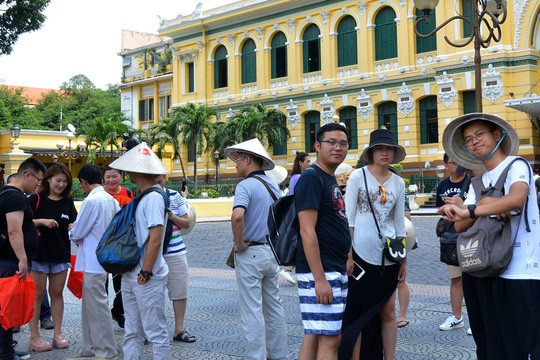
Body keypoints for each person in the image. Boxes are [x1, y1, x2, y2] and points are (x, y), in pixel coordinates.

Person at [439, 113, 540, 359]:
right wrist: (479, 204)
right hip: (488, 268)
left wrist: (475, 208)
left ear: (497, 135)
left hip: (521, 269)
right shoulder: (480, 180)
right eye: (468, 139)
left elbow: (516, 198)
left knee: (525, 346)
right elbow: (460, 226)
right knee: (495, 344)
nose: (474, 142)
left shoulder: (516, 165)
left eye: (479, 134)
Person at [341, 127, 407, 360]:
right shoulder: (358, 176)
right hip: (360, 255)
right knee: (358, 314)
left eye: (388, 149)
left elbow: (399, 224)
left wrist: (403, 260)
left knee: (388, 311)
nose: (384, 153)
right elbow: (348, 218)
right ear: (371, 153)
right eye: (379, 149)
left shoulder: (398, 183)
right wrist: (347, 255)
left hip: (389, 256)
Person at [224, 138, 288, 360]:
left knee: (252, 311)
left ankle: (256, 357)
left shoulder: (245, 185)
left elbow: (238, 216)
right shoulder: (273, 185)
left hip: (250, 254)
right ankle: (279, 355)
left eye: (238, 160)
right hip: (271, 253)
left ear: (249, 160)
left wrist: (239, 243)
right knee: (274, 307)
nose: (235, 165)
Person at [294, 123, 351, 360]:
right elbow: (307, 231)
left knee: (317, 333)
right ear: (317, 146)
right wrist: (319, 279)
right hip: (320, 272)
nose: (338, 148)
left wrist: (347, 255)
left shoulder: (328, 178)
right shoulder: (312, 178)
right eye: (331, 142)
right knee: (330, 339)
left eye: (343, 143)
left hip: (333, 268)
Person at [108, 142, 170, 360]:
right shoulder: (144, 195)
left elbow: (155, 239)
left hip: (145, 275)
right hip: (133, 274)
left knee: (155, 332)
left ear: (137, 171)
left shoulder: (153, 197)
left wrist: (145, 272)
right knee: (132, 330)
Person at [67, 164, 119, 360]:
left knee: (97, 307)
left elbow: (79, 232)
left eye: (81, 183)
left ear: (85, 182)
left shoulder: (92, 200)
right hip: (102, 259)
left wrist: (71, 229)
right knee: (91, 306)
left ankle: (105, 350)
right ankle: (90, 348)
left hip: (93, 261)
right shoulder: (110, 199)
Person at [27, 163, 77, 352]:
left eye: (65, 181)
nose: (61, 185)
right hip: (39, 255)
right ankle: (34, 337)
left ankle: (58, 334)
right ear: (48, 179)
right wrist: (41, 221)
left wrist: (73, 227)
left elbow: (74, 222)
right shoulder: (36, 199)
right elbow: (23, 222)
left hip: (60, 255)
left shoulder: (68, 202)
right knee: (37, 295)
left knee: (57, 294)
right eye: (58, 180)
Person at [0, 158, 46, 360]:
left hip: (6, 259)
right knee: (6, 308)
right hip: (10, 260)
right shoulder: (15, 197)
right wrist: (23, 259)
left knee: (5, 307)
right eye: (38, 179)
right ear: (27, 175)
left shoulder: (5, 193)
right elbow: (14, 231)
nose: (38, 184)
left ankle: (7, 348)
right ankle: (6, 353)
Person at [155, 174, 197, 343]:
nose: (158, 181)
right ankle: (153, 330)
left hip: (176, 252)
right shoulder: (144, 196)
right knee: (154, 294)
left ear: (164, 177)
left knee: (179, 291)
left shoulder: (175, 196)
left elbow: (186, 223)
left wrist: (170, 215)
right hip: (155, 252)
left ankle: (179, 329)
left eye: (160, 178)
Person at [435, 155, 470, 332]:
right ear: (446, 164)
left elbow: (477, 209)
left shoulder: (472, 181)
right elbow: (439, 210)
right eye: (452, 162)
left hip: (471, 236)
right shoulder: (442, 185)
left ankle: (477, 318)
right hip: (451, 237)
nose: (456, 165)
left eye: (458, 161)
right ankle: (457, 317)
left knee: (474, 278)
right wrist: (445, 209)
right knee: (456, 278)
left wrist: (461, 205)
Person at [103, 166, 134, 329]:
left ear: (121, 176)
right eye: (108, 177)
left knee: (121, 283)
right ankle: (104, 317)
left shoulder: (128, 193)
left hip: (121, 244)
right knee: (102, 284)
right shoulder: (100, 194)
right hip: (102, 243)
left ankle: (117, 311)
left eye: (114, 176)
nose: (111, 180)